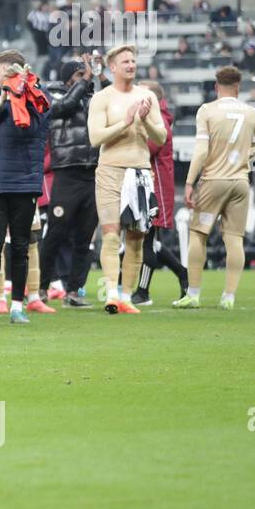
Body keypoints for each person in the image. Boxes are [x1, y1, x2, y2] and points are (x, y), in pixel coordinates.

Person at [0, 50, 51, 325]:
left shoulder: (35, 93)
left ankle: (17, 305)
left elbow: (39, 127)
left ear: (9, 69)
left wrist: (22, 94)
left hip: (24, 183)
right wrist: (1, 101)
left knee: (19, 245)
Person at [87, 43, 167, 314]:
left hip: (140, 173)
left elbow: (162, 137)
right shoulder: (102, 98)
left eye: (133, 61)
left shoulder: (148, 97)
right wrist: (126, 121)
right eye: (125, 62)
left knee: (135, 239)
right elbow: (95, 138)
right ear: (112, 67)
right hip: (110, 171)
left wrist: (142, 121)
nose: (131, 65)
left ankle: (127, 297)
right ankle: (111, 293)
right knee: (111, 236)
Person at [175, 66, 255, 309]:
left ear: (216, 86)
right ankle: (229, 297)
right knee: (234, 239)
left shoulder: (207, 110)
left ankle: (193, 294)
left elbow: (201, 151)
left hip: (213, 181)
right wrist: (248, 175)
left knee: (198, 233)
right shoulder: (251, 112)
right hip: (240, 182)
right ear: (238, 86)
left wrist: (190, 182)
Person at [38, 55, 102, 307]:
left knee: (85, 237)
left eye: (86, 75)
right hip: (66, 171)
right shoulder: (51, 94)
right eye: (79, 75)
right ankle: (42, 287)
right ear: (68, 79)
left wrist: (101, 77)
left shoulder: (95, 98)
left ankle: (74, 291)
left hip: (92, 173)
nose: (86, 79)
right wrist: (86, 80)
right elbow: (65, 106)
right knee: (56, 232)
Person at [135, 80, 189, 304]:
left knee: (146, 242)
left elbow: (145, 149)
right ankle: (182, 273)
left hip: (153, 188)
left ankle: (143, 292)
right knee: (150, 242)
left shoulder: (160, 123)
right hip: (149, 186)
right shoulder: (159, 119)